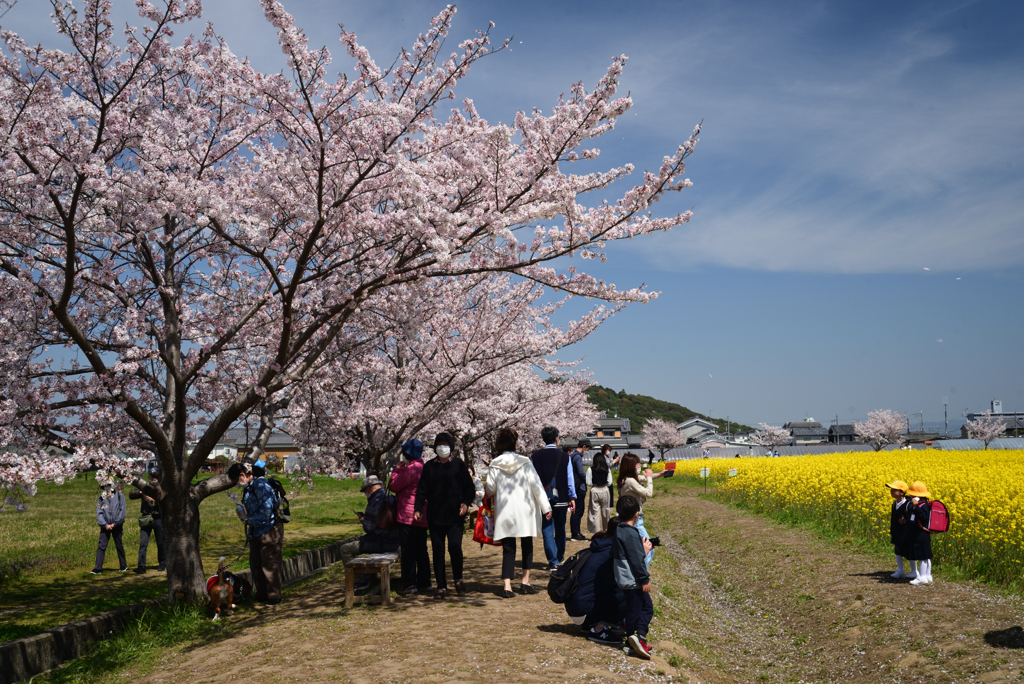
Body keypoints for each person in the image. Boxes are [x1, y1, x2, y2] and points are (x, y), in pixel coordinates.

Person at [485, 427, 552, 598]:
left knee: (508, 549)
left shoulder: (495, 463)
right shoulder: (525, 462)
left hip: (505, 511)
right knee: (526, 545)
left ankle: (507, 586)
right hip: (525, 510)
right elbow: (536, 486)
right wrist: (546, 508)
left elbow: (491, 489)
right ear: (515, 443)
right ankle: (525, 581)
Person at [414, 432, 476, 599]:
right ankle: (441, 586)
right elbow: (421, 490)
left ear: (451, 447)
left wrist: (465, 503)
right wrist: (418, 509)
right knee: (438, 550)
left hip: (455, 516)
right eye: (439, 444)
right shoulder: (429, 467)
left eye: (445, 444)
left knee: (455, 547)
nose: (442, 447)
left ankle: (458, 578)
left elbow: (469, 488)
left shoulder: (459, 465)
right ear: (435, 447)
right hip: (435, 516)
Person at [231, 462, 283, 605]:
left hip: (269, 529)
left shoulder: (260, 485)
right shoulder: (249, 488)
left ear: (243, 475)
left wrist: (250, 520)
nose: (236, 484)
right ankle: (262, 595)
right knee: (257, 564)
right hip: (255, 531)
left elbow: (267, 510)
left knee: (270, 563)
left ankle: (274, 596)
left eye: (236, 480)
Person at [569, 523, 628, 645]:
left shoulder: (600, 545)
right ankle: (598, 630)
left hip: (575, 605)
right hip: (582, 609)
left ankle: (590, 624)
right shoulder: (611, 552)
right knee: (629, 592)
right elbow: (629, 577)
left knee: (615, 589)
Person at [612, 495, 655, 660]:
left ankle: (631, 643)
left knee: (633, 609)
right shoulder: (631, 533)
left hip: (623, 578)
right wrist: (644, 579)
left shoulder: (619, 530)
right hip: (634, 580)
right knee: (645, 609)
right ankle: (639, 637)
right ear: (637, 514)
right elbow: (637, 561)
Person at [530, 426, 577, 569]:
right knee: (560, 528)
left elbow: (532, 479)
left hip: (543, 499)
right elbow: (570, 478)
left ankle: (553, 561)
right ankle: (560, 556)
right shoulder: (564, 456)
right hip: (561, 497)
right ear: (556, 439)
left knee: (547, 529)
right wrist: (572, 497)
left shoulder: (535, 456)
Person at [390, 439, 432, 594]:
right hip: (422, 514)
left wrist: (396, 470)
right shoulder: (426, 468)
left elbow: (394, 486)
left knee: (408, 550)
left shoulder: (409, 470)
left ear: (407, 454)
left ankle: (409, 583)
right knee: (422, 549)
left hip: (407, 516)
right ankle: (424, 582)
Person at [617, 453, 666, 568]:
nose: (639, 466)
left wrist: (659, 475)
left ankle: (636, 571)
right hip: (635, 520)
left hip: (628, 518)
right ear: (631, 466)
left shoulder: (625, 479)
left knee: (635, 548)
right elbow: (648, 493)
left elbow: (643, 477)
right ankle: (641, 573)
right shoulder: (630, 481)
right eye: (637, 464)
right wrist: (649, 477)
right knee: (649, 547)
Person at [129, 472, 165, 573]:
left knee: (160, 542)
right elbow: (131, 495)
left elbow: (166, 502)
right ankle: (141, 566)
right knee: (143, 543)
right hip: (146, 517)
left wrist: (155, 499)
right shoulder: (145, 487)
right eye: (152, 477)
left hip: (158, 517)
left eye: (155, 478)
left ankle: (162, 563)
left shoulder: (161, 488)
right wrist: (140, 493)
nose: (153, 479)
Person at [91, 482, 128, 574]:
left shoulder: (120, 496)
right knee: (101, 546)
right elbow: (99, 512)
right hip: (105, 526)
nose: (107, 488)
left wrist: (115, 524)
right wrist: (105, 524)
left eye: (109, 486)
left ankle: (123, 565)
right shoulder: (102, 498)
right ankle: (98, 568)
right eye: (105, 486)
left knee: (119, 544)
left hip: (117, 525)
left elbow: (122, 511)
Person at [905, 481, 934, 585]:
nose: (910, 495)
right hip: (919, 534)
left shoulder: (923, 505)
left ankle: (922, 576)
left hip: (921, 535)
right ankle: (926, 576)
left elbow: (923, 517)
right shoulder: (918, 505)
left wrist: (916, 507)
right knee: (924, 556)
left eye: (912, 494)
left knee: (923, 556)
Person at [885, 479, 914, 579]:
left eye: (894, 490)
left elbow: (913, 517)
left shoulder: (908, 504)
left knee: (909, 551)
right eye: (891, 489)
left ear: (902, 492)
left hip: (907, 532)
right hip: (897, 531)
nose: (892, 492)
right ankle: (900, 570)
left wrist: (906, 521)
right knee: (897, 550)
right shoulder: (894, 503)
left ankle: (914, 571)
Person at [586, 451, 615, 534]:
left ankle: (596, 532)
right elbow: (609, 482)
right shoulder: (607, 469)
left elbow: (588, 482)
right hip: (605, 490)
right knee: (606, 511)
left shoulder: (590, 469)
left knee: (594, 513)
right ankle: (607, 530)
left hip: (595, 489)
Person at [569, 438, 590, 541]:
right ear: (584, 447)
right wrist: (589, 480)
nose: (588, 451)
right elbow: (581, 473)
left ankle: (576, 532)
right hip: (579, 487)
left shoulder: (572, 455)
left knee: (576, 510)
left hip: (575, 486)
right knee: (578, 511)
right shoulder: (577, 457)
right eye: (588, 448)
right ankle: (576, 533)